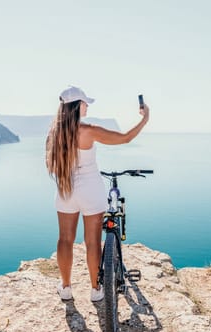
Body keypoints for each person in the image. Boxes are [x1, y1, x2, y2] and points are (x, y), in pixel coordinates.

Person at [46, 86, 149, 302]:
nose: (87, 106)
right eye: (85, 102)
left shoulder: (54, 133)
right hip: (91, 189)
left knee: (65, 239)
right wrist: (144, 119)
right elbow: (125, 138)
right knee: (92, 242)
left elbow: (53, 165)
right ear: (76, 106)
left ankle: (65, 288)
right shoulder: (88, 130)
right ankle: (95, 290)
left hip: (66, 189)